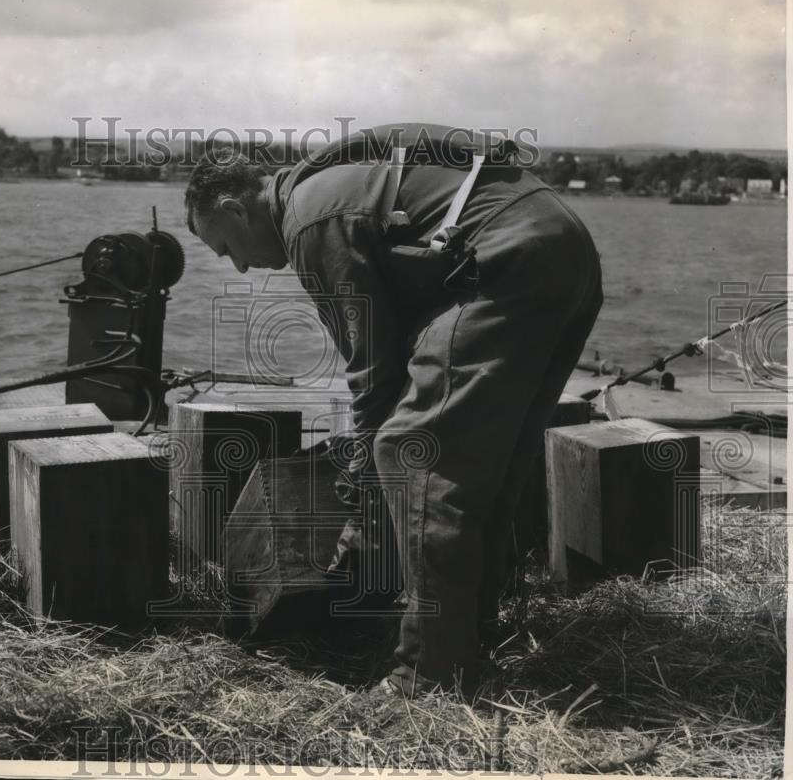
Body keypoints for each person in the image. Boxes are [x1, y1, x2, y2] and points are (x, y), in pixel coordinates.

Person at [184, 124, 603, 697]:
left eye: (226, 248)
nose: (239, 267)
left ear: (236, 208)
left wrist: (364, 494)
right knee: (488, 465)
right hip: (560, 246)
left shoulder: (310, 219)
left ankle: (425, 677)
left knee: (413, 457)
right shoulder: (326, 187)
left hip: (506, 258)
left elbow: (374, 375)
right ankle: (471, 634)